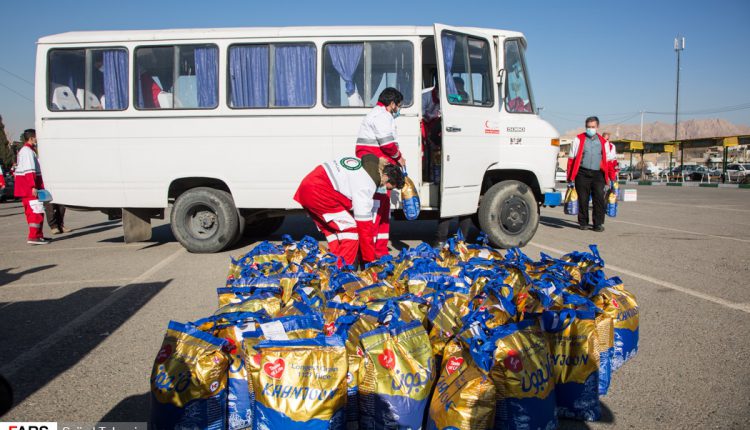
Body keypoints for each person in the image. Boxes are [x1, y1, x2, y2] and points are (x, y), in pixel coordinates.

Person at [294, 154, 405, 266]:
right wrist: (369, 261)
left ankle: (333, 262)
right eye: (387, 187)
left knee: (333, 231)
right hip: (320, 191)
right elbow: (364, 226)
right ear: (385, 176)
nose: (384, 189)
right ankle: (341, 271)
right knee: (352, 230)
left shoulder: (364, 164)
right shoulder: (367, 185)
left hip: (308, 187)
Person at [355, 87, 406, 259]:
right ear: (392, 104)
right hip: (377, 169)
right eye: (398, 106)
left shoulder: (377, 115)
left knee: (382, 212)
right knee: (377, 212)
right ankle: (375, 252)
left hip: (378, 167)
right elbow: (387, 144)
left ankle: (380, 249)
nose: (398, 110)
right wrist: (399, 158)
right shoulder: (382, 116)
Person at [566, 117, 613, 232]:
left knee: (599, 199)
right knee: (583, 199)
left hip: (598, 174)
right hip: (582, 173)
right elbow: (571, 159)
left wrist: (612, 177)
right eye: (588, 127)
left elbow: (609, 161)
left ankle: (598, 224)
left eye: (593, 127)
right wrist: (570, 177)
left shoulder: (603, 142)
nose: (590, 129)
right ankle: (583, 222)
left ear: (597, 127)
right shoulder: (578, 139)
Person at [14, 129, 49, 244]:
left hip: (27, 188)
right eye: (36, 137)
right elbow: (30, 171)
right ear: (31, 138)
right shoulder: (27, 151)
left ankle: (38, 235)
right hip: (30, 189)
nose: (37, 139)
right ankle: (34, 236)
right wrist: (33, 186)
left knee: (35, 211)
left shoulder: (26, 151)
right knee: (35, 212)